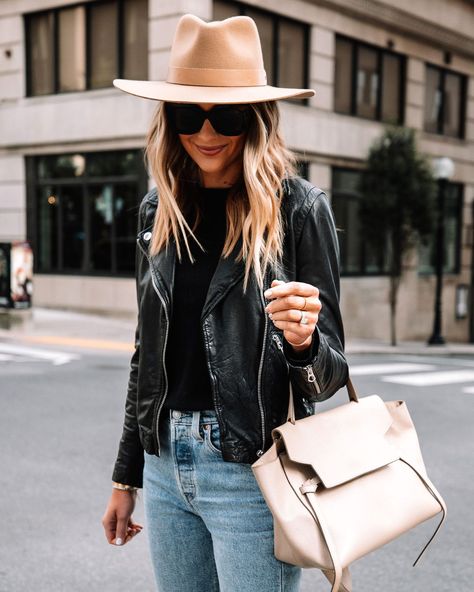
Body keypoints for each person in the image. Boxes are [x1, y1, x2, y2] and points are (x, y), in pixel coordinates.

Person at [101, 13, 348, 592]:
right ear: (170, 119)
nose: (206, 133)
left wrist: (304, 340)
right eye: (190, 114)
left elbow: (330, 377)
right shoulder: (157, 210)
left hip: (251, 470)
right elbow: (147, 355)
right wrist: (126, 476)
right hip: (164, 469)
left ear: (256, 119)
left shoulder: (299, 211)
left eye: (227, 116)